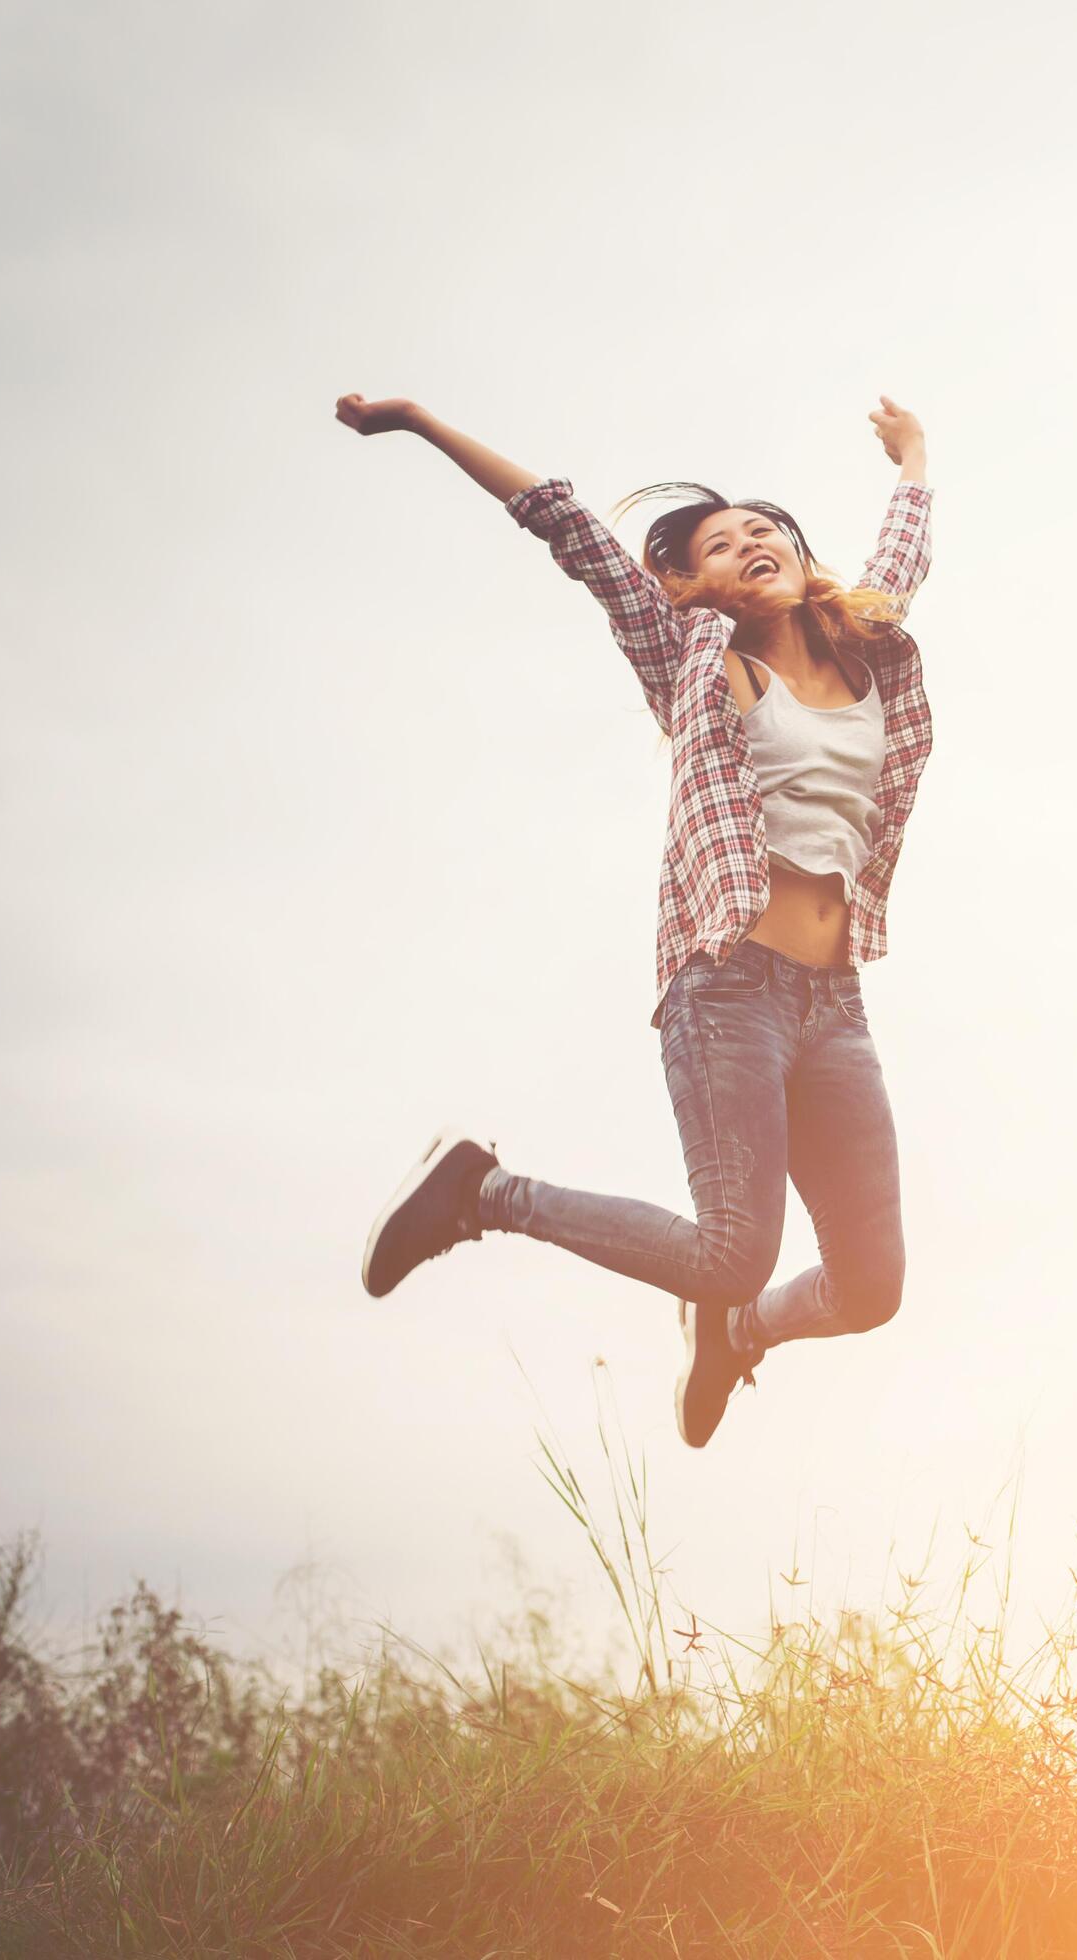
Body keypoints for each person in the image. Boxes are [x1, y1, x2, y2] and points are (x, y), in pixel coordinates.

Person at [333, 389, 938, 1447]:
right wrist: (424, 424)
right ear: (686, 583)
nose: (752, 544)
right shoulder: (690, 658)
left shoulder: (867, 650)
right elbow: (565, 524)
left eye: (766, 531)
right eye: (721, 543)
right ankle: (485, 1191)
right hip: (728, 991)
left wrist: (914, 453)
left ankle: (740, 1332)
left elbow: (904, 550)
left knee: (870, 1288)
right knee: (730, 1247)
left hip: (834, 1006)